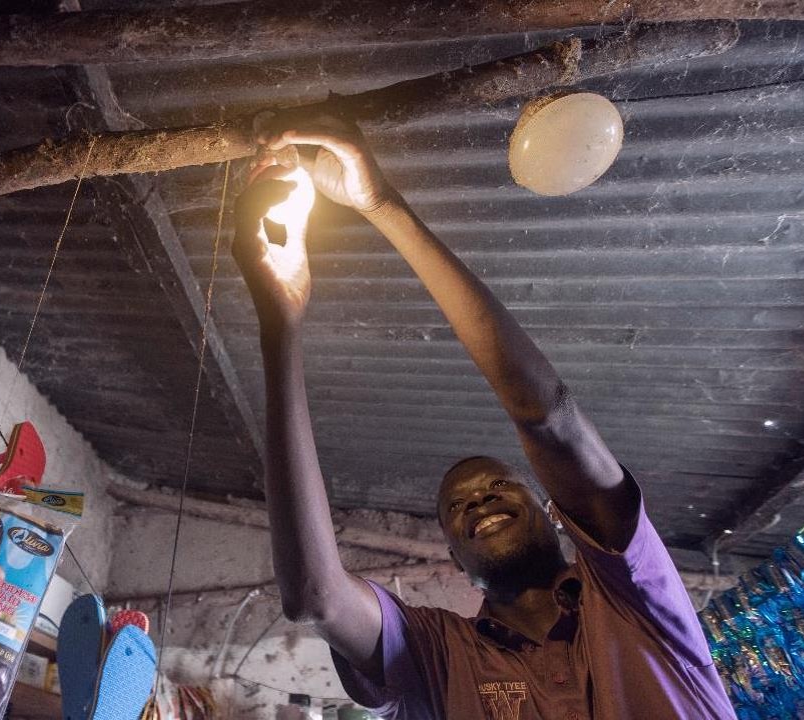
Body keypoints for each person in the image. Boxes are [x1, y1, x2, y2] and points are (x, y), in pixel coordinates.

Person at [230, 119, 736, 719]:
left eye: (499, 485)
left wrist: (382, 203)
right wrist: (280, 323)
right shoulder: (435, 655)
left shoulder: (632, 596)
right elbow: (316, 596)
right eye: (458, 507)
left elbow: (551, 418)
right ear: (453, 560)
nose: (479, 501)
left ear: (555, 512)